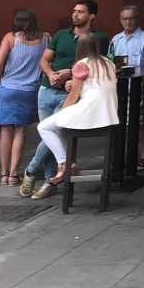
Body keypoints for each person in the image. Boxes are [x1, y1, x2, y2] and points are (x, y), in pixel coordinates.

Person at [21, 0, 110, 200]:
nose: (75, 14)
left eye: (80, 12)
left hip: (69, 93)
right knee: (50, 135)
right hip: (47, 89)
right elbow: (44, 59)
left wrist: (69, 73)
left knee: (53, 130)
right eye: (74, 11)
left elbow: (96, 63)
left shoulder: (98, 38)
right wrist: (51, 74)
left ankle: (31, 170)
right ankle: (50, 181)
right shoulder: (61, 35)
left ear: (91, 16)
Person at [35, 34, 119, 188]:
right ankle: (67, 162)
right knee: (59, 126)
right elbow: (94, 86)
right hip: (108, 114)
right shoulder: (109, 63)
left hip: (88, 112)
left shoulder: (81, 64)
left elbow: (73, 97)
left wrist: (63, 112)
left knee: (44, 127)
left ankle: (64, 163)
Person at [0, 9, 48, 187]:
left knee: (6, 130)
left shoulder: (10, 37)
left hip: (8, 88)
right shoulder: (44, 39)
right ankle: (13, 175)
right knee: (20, 130)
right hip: (29, 89)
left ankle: (3, 174)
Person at [109, 5, 144, 172]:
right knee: (118, 122)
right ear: (120, 20)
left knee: (138, 122)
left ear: (137, 19)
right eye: (125, 19)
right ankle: (120, 156)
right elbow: (111, 63)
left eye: (131, 18)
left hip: (135, 87)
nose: (128, 22)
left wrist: (142, 82)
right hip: (118, 89)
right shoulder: (116, 39)